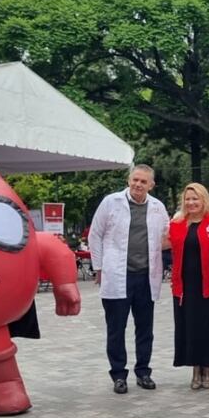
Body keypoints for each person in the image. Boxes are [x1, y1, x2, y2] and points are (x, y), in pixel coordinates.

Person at [89, 164, 170, 394]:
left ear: (151, 185)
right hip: (118, 275)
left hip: (146, 277)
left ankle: (143, 371)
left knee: (145, 329)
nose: (138, 185)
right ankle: (118, 374)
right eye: (135, 180)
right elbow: (95, 234)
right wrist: (99, 267)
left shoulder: (158, 207)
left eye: (143, 182)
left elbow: (168, 235)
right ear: (128, 180)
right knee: (116, 328)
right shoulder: (111, 203)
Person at [167, 183, 209, 390]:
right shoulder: (177, 224)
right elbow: (166, 248)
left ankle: (208, 368)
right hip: (185, 287)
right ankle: (195, 369)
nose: (191, 203)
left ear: (204, 200)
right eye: (188, 199)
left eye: (195, 198)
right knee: (189, 328)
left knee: (208, 328)